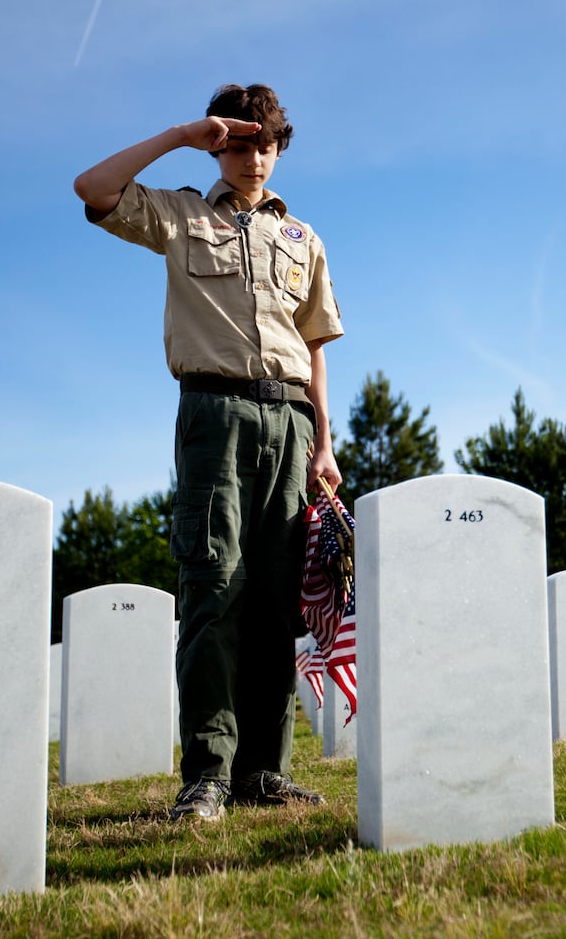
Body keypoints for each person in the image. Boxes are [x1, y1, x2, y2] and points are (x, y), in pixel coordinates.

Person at [73, 84, 343, 821]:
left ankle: (263, 772)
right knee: (212, 591)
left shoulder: (305, 241)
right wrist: (179, 134)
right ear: (219, 146)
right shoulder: (181, 214)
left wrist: (324, 443)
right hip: (214, 414)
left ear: (281, 148)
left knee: (276, 602)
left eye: (267, 143)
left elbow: (316, 350)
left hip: (290, 423)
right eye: (240, 142)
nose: (256, 157)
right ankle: (208, 777)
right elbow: (92, 188)